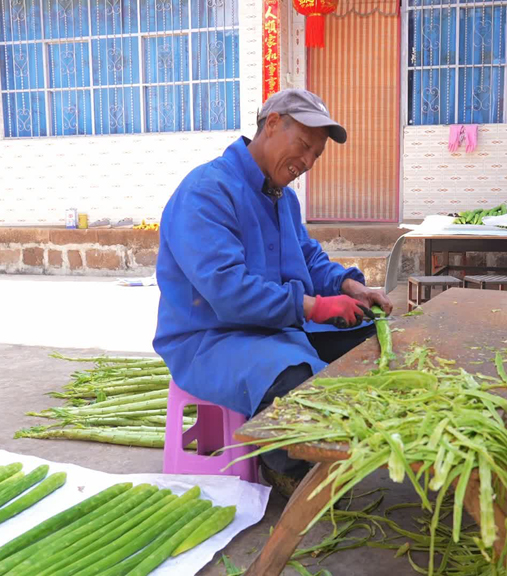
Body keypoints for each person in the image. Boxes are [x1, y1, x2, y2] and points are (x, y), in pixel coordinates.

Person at [154, 89, 393, 492]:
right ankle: (285, 466)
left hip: (275, 328)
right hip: (211, 339)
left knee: (371, 339)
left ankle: (336, 438)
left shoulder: (282, 198)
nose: (307, 162)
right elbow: (228, 291)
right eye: (303, 146)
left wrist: (349, 285)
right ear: (272, 124)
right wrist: (314, 307)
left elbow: (308, 258)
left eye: (316, 155)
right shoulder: (207, 191)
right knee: (295, 378)